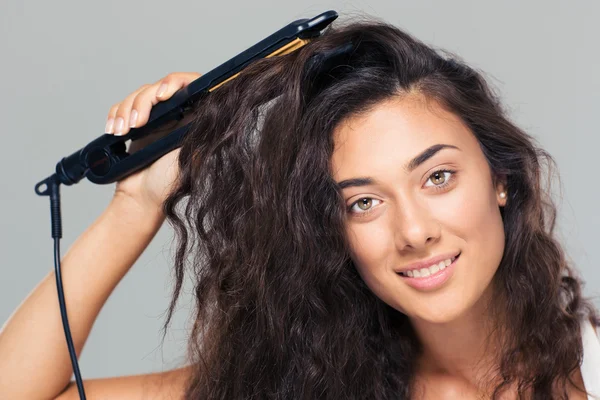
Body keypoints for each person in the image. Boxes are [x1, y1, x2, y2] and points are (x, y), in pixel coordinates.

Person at [1, 16, 599, 400]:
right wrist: (138, 203)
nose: (413, 231)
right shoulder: (311, 388)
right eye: (364, 202)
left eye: (438, 177)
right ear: (331, 232)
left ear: (501, 178)